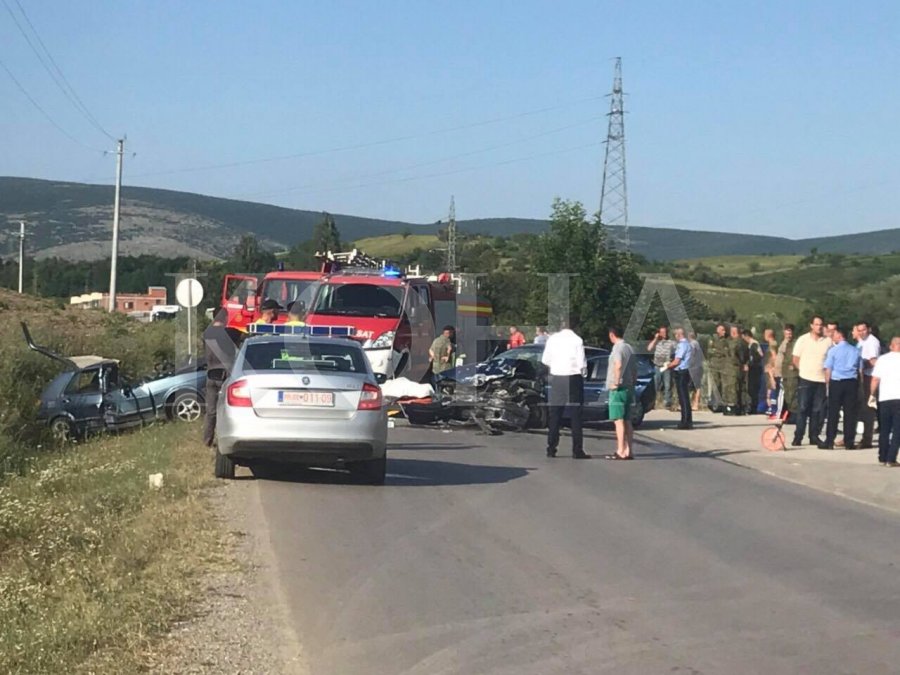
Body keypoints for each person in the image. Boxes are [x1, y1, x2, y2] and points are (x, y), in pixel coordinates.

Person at [541, 321, 590, 459]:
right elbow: (581, 363)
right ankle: (577, 450)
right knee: (576, 415)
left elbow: (545, 360)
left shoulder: (552, 339)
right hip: (573, 377)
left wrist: (556, 366)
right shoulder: (577, 340)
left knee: (555, 414)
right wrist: (583, 374)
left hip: (557, 377)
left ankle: (551, 448)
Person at [202, 310, 242, 447]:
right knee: (226, 410)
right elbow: (241, 337)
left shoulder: (206, 334)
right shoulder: (230, 333)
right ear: (225, 318)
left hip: (210, 374)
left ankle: (207, 440)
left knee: (211, 411)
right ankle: (224, 439)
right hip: (225, 375)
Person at [791, 315, 830, 446]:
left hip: (821, 380)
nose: (819, 327)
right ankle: (798, 436)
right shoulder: (803, 340)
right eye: (817, 324)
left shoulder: (827, 341)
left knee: (817, 410)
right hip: (806, 379)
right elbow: (795, 359)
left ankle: (814, 436)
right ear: (811, 325)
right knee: (802, 409)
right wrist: (803, 371)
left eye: (821, 324)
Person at [820, 326, 860, 449]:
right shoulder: (855, 350)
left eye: (835, 334)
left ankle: (829, 441)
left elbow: (828, 369)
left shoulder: (833, 350)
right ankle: (849, 441)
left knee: (833, 412)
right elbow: (860, 369)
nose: (833, 336)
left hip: (837, 382)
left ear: (840, 335)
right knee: (850, 413)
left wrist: (827, 384)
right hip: (851, 382)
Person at [604, 326, 637, 460]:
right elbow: (635, 368)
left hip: (619, 388)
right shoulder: (629, 348)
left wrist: (616, 382)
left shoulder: (617, 348)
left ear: (612, 335)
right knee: (628, 420)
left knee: (618, 420)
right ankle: (629, 450)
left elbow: (618, 364)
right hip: (629, 387)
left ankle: (621, 450)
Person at [871, 336, 900, 467]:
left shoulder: (882, 359)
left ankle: (882, 456)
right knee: (897, 431)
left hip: (885, 398)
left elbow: (875, 379)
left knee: (884, 429)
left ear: (891, 346)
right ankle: (891, 458)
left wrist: (872, 394)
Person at [855, 321, 881, 449]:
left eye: (863, 330)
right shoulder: (861, 341)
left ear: (868, 329)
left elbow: (873, 361)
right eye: (859, 330)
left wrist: (859, 364)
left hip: (869, 377)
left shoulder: (872, 342)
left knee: (868, 408)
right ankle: (864, 436)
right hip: (862, 376)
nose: (861, 332)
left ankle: (867, 439)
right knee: (862, 408)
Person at [667, 327, 694, 429]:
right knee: (684, 397)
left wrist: (667, 366)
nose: (675, 337)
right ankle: (687, 420)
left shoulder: (682, 345)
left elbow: (677, 361)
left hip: (682, 371)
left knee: (683, 397)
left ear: (679, 334)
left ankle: (686, 421)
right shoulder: (687, 344)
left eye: (676, 334)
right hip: (685, 371)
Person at [647, 325, 676, 410]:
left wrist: (672, 361)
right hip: (657, 366)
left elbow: (678, 350)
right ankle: (652, 403)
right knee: (656, 385)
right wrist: (655, 339)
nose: (664, 334)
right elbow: (649, 348)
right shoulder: (657, 342)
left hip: (667, 366)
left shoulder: (671, 342)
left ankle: (667, 403)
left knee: (668, 385)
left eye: (665, 332)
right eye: (662, 332)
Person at [726, 325, 749, 415]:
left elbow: (742, 356)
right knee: (733, 388)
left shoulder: (740, 343)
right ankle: (735, 406)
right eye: (731, 331)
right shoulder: (731, 341)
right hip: (730, 368)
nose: (732, 333)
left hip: (736, 368)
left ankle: (736, 407)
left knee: (735, 388)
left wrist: (742, 363)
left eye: (734, 331)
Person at [707, 324, 730, 412]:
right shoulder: (713, 338)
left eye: (724, 330)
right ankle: (715, 403)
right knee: (715, 385)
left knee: (724, 385)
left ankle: (723, 403)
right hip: (714, 365)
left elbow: (727, 351)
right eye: (722, 330)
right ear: (718, 330)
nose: (724, 331)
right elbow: (710, 351)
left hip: (724, 365)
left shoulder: (726, 340)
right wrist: (720, 352)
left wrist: (718, 351)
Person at [777, 324, 798, 419]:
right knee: (787, 395)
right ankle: (787, 413)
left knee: (792, 394)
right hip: (784, 373)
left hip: (792, 374)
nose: (788, 335)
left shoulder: (795, 344)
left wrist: (794, 365)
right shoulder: (783, 343)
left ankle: (793, 415)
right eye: (786, 333)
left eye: (790, 333)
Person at [742, 329, 764, 414]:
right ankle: (753, 407)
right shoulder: (755, 343)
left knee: (752, 388)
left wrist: (749, 364)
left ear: (746, 336)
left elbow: (754, 357)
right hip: (755, 368)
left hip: (754, 369)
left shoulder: (753, 344)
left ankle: (753, 407)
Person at [688, 331, 704, 411]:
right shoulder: (697, 343)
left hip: (693, 367)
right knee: (697, 386)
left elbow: (691, 355)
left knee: (693, 386)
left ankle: (694, 404)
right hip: (698, 366)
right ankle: (695, 403)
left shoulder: (692, 344)